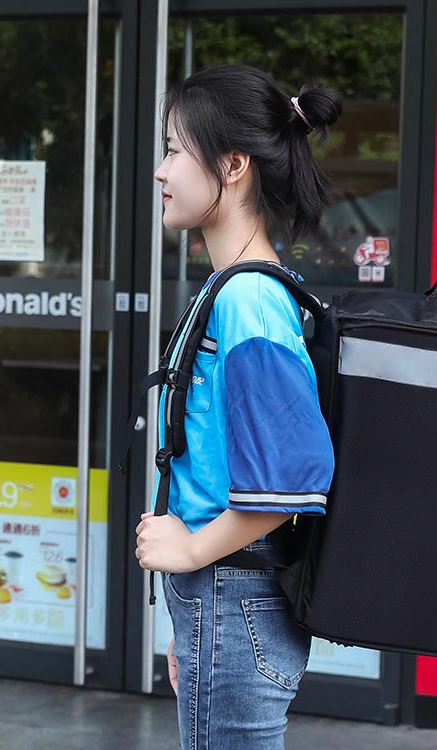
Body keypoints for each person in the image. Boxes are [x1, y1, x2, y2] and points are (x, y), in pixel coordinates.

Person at [134, 64, 341, 750]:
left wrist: (193, 550)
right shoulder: (233, 287)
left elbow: (289, 479)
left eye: (173, 150)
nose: (161, 171)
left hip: (232, 595)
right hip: (223, 601)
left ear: (232, 165)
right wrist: (191, 616)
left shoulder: (249, 299)